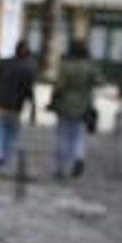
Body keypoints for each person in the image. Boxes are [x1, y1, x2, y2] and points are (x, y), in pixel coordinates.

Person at [0, 41, 37, 175]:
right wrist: (32, 111)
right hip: (14, 108)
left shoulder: (2, 64)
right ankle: (4, 158)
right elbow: (29, 92)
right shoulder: (27, 69)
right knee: (11, 136)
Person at [49, 40, 99, 179]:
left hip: (65, 104)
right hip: (84, 105)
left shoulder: (65, 65)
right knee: (78, 136)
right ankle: (79, 157)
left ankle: (60, 168)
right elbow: (99, 81)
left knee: (62, 136)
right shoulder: (90, 66)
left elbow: (59, 86)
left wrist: (53, 101)